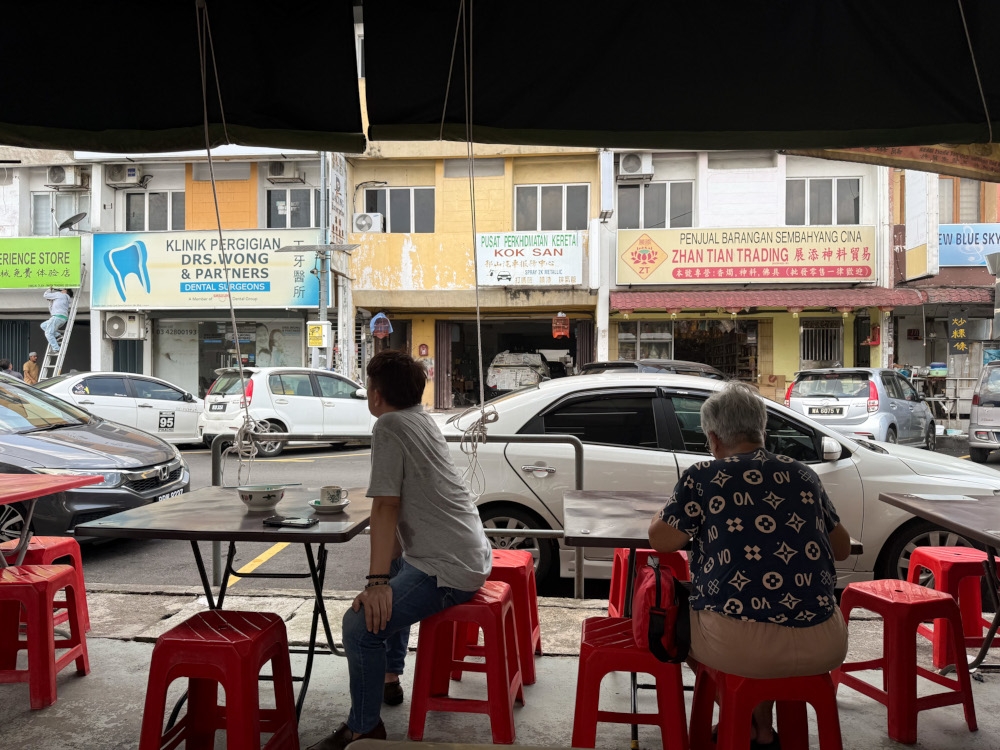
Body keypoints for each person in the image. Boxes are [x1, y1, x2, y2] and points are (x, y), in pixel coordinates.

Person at [648, 382, 851, 748]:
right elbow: (841, 549)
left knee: (679, 630)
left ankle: (737, 717)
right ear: (763, 430)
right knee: (763, 607)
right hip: (824, 640)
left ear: (712, 438)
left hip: (739, 644)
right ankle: (760, 726)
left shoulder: (703, 476)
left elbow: (661, 540)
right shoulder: (804, 474)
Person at [307, 350, 492, 750]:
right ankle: (390, 675)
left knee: (358, 627)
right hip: (467, 550)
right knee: (393, 568)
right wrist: (383, 574)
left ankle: (363, 727)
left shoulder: (389, 425)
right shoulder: (420, 419)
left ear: (375, 394)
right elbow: (391, 515)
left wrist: (374, 584)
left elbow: (385, 505)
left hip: (448, 566)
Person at [41, 287, 72, 353]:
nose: (61, 290)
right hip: (62, 318)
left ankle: (56, 348)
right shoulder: (66, 299)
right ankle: (57, 335)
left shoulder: (59, 294)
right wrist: (51, 301)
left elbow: (45, 295)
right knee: (43, 325)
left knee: (48, 333)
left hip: (57, 317)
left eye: (63, 289)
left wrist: (50, 289)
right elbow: (52, 309)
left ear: (65, 291)